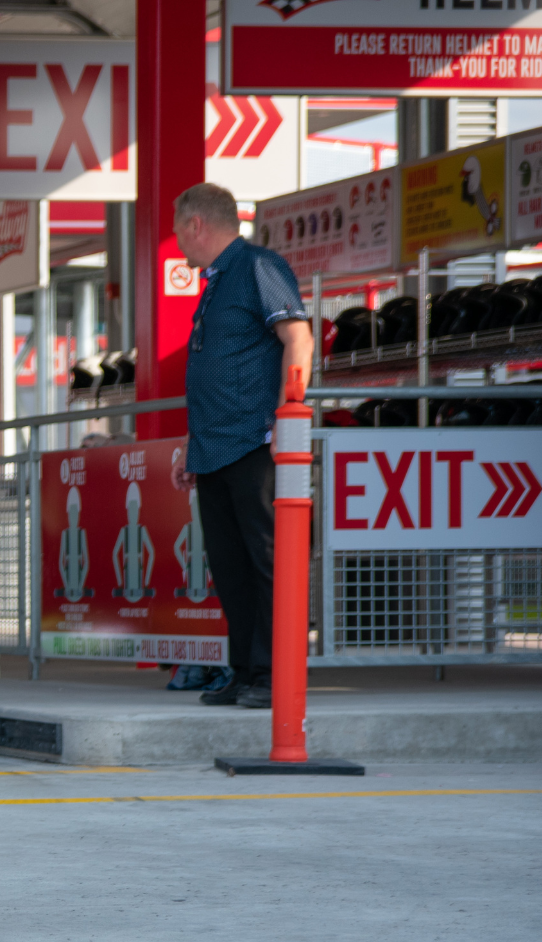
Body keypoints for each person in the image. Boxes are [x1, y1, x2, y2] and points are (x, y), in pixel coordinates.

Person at [174, 181, 315, 711]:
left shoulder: (258, 265)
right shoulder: (214, 282)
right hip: (215, 449)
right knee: (230, 566)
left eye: (178, 230)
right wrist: (193, 449)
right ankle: (244, 671)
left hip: (256, 443)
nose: (179, 241)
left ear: (196, 225)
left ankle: (272, 673)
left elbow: (298, 336)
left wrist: (290, 414)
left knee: (267, 562)